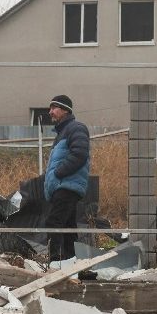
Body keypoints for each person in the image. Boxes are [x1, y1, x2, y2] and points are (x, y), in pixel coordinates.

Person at [43, 94, 90, 265]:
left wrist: (58, 173)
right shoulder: (62, 132)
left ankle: (55, 264)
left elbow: (80, 154)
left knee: (53, 222)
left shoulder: (75, 128)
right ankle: (71, 263)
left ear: (65, 110)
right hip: (63, 186)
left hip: (67, 186)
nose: (50, 112)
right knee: (68, 228)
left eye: (54, 108)